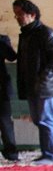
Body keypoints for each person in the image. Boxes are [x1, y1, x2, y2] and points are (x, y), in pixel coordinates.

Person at [12, 0, 53, 165]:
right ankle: (47, 154)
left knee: (46, 120)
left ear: (32, 15)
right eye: (16, 15)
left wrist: (43, 77)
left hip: (45, 87)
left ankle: (52, 156)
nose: (18, 18)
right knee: (39, 120)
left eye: (20, 14)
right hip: (32, 87)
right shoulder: (26, 35)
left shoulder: (46, 33)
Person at [0, 33, 17, 161]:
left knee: (5, 121)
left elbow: (12, 56)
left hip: (1, 87)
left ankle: (11, 153)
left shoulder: (2, 39)